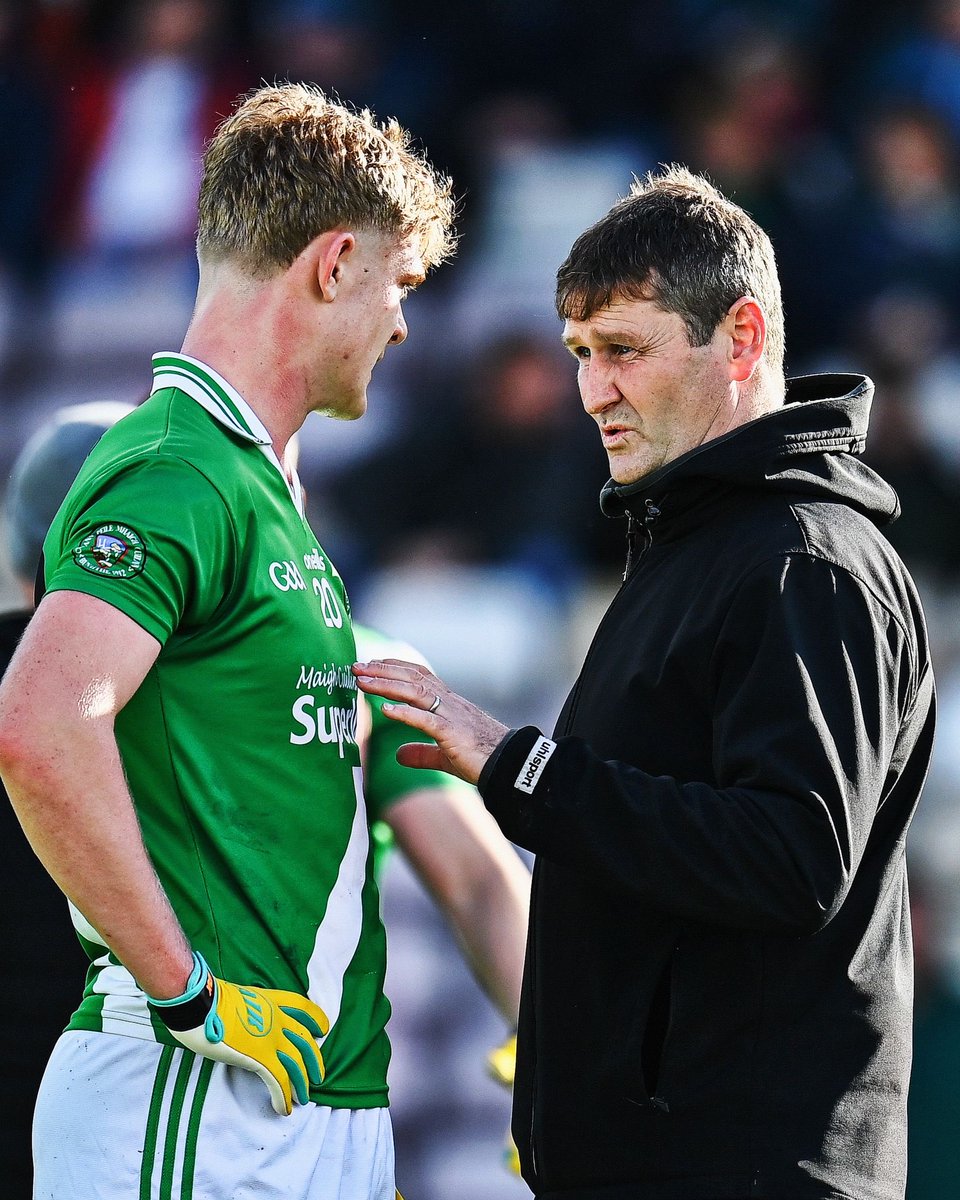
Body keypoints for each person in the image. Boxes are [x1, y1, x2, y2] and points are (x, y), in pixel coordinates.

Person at [353, 165, 936, 1200]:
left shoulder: (802, 560)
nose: (592, 392)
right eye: (580, 353)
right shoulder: (704, 544)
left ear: (743, 339)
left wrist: (523, 767)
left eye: (624, 349)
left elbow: (793, 857)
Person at [0, 81, 454, 1200]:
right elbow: (39, 723)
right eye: (397, 284)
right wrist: (186, 990)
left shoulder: (255, 482)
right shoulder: (178, 465)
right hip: (192, 1096)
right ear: (334, 261)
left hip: (296, 1098)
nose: (401, 323)